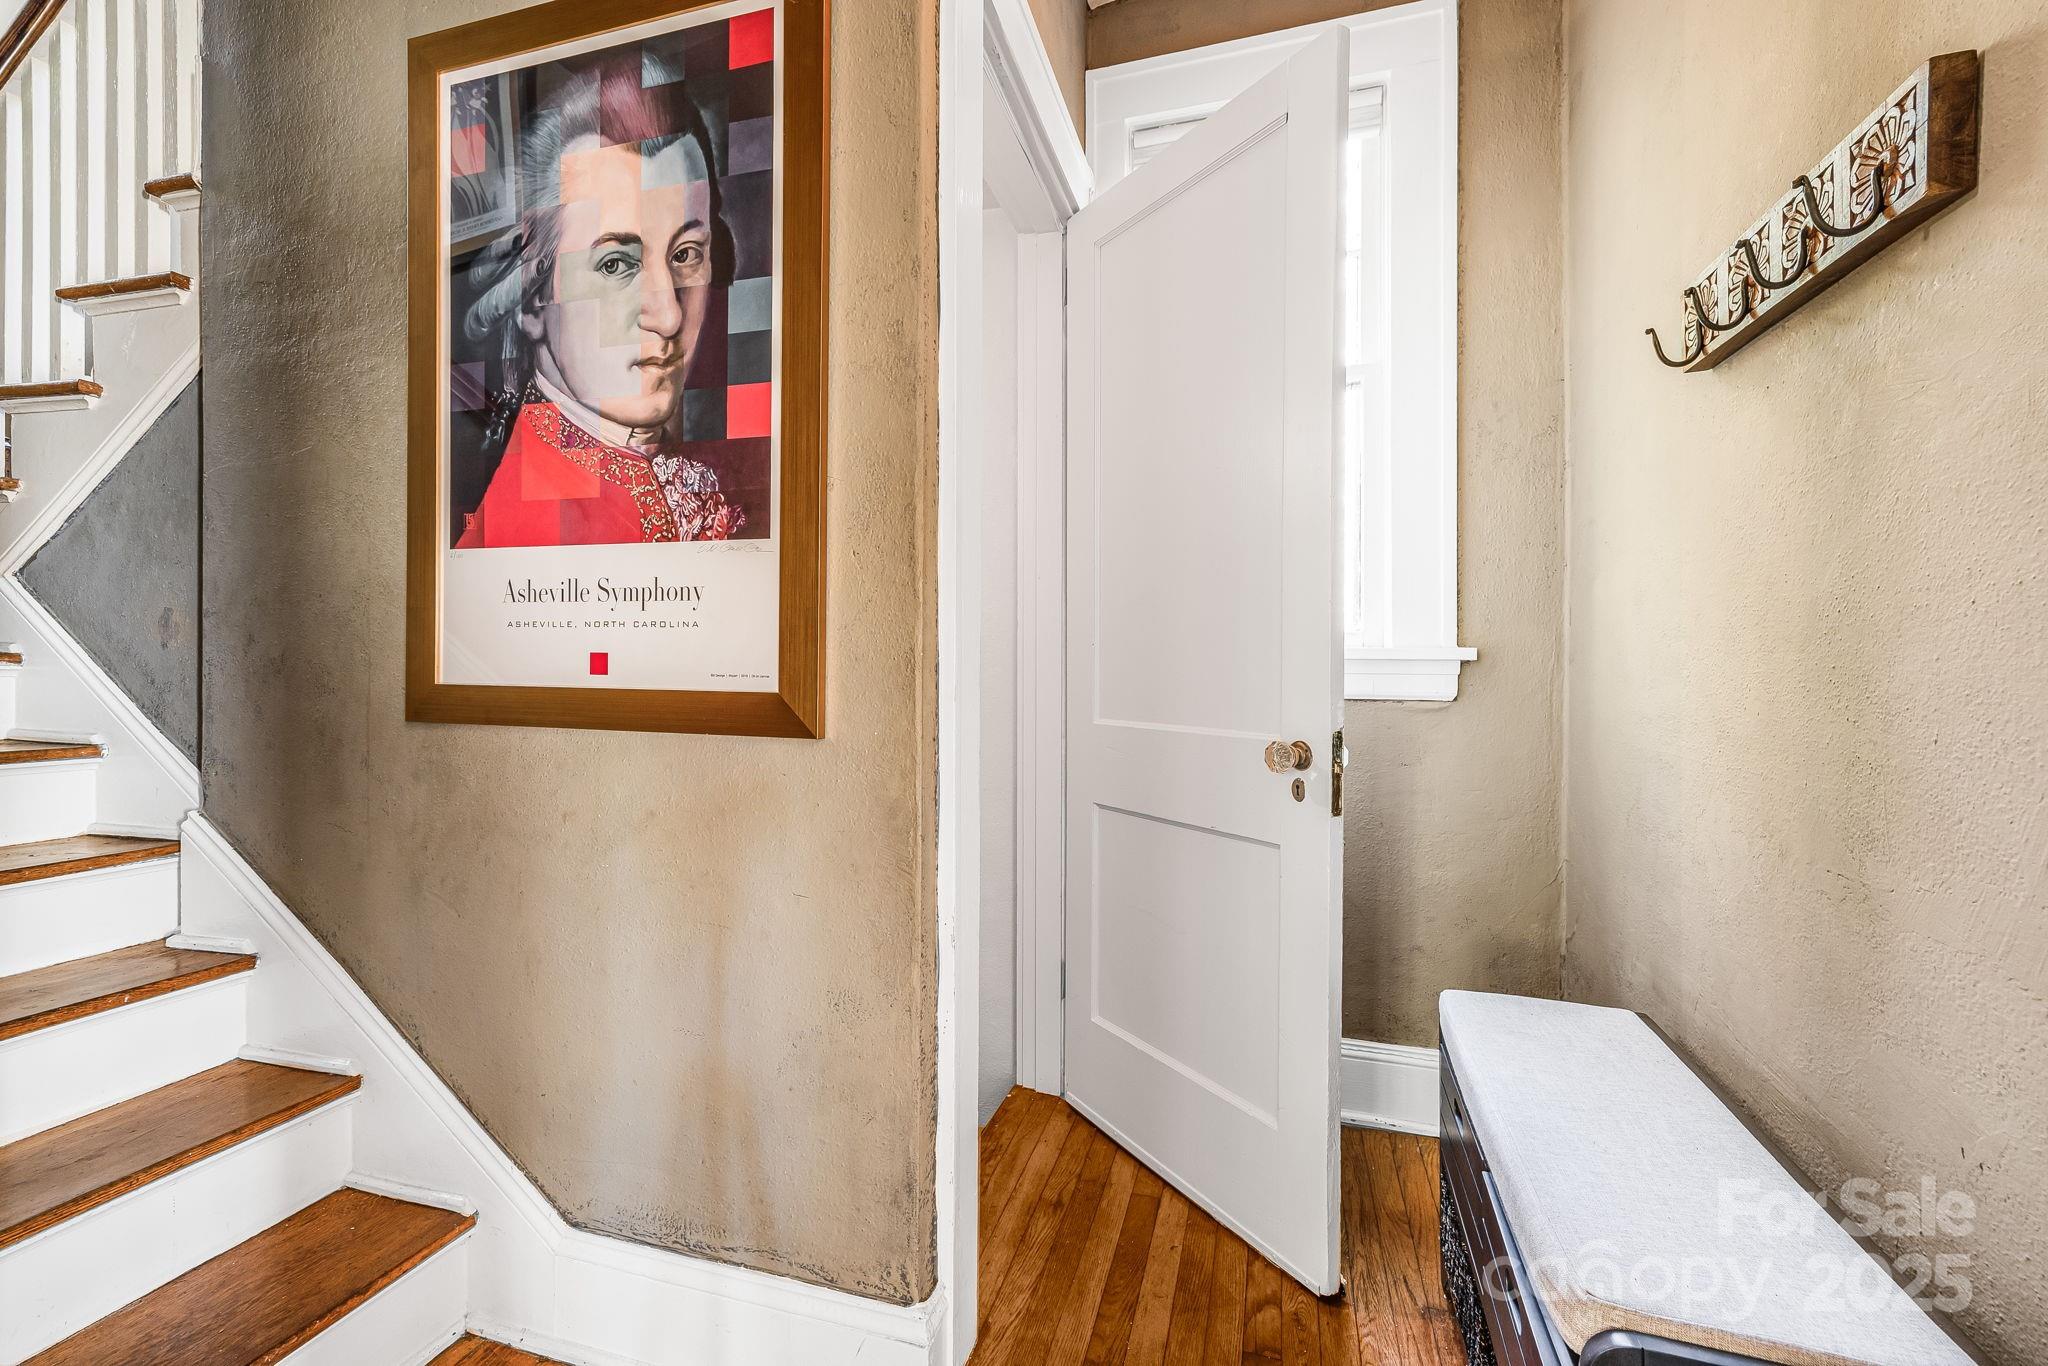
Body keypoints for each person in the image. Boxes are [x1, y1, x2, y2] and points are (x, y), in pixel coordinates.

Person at [454, 50, 744, 547]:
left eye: (686, 254)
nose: (669, 316)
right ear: (532, 299)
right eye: (615, 265)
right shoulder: (529, 522)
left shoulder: (664, 472)